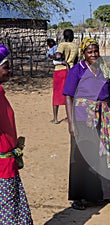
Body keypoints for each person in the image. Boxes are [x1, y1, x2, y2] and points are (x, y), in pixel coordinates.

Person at [63, 37, 110, 210]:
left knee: (103, 153)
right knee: (83, 156)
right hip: (82, 118)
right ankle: (81, 197)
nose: (94, 55)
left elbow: (108, 96)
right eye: (90, 52)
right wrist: (71, 123)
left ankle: (102, 194)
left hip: (103, 117)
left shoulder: (102, 69)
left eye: (96, 51)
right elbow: (68, 96)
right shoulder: (77, 71)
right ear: (83, 53)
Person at [0, 44, 33, 224]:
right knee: (8, 214)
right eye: (6, 67)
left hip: (8, 163)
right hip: (2, 167)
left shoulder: (1, 93)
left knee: (15, 211)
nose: (9, 70)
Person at [50, 29, 78, 124]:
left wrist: (51, 56)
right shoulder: (75, 46)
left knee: (57, 93)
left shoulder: (62, 45)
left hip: (60, 71)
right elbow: (76, 60)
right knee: (69, 94)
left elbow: (58, 56)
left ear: (64, 37)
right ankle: (69, 117)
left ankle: (55, 118)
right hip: (71, 70)